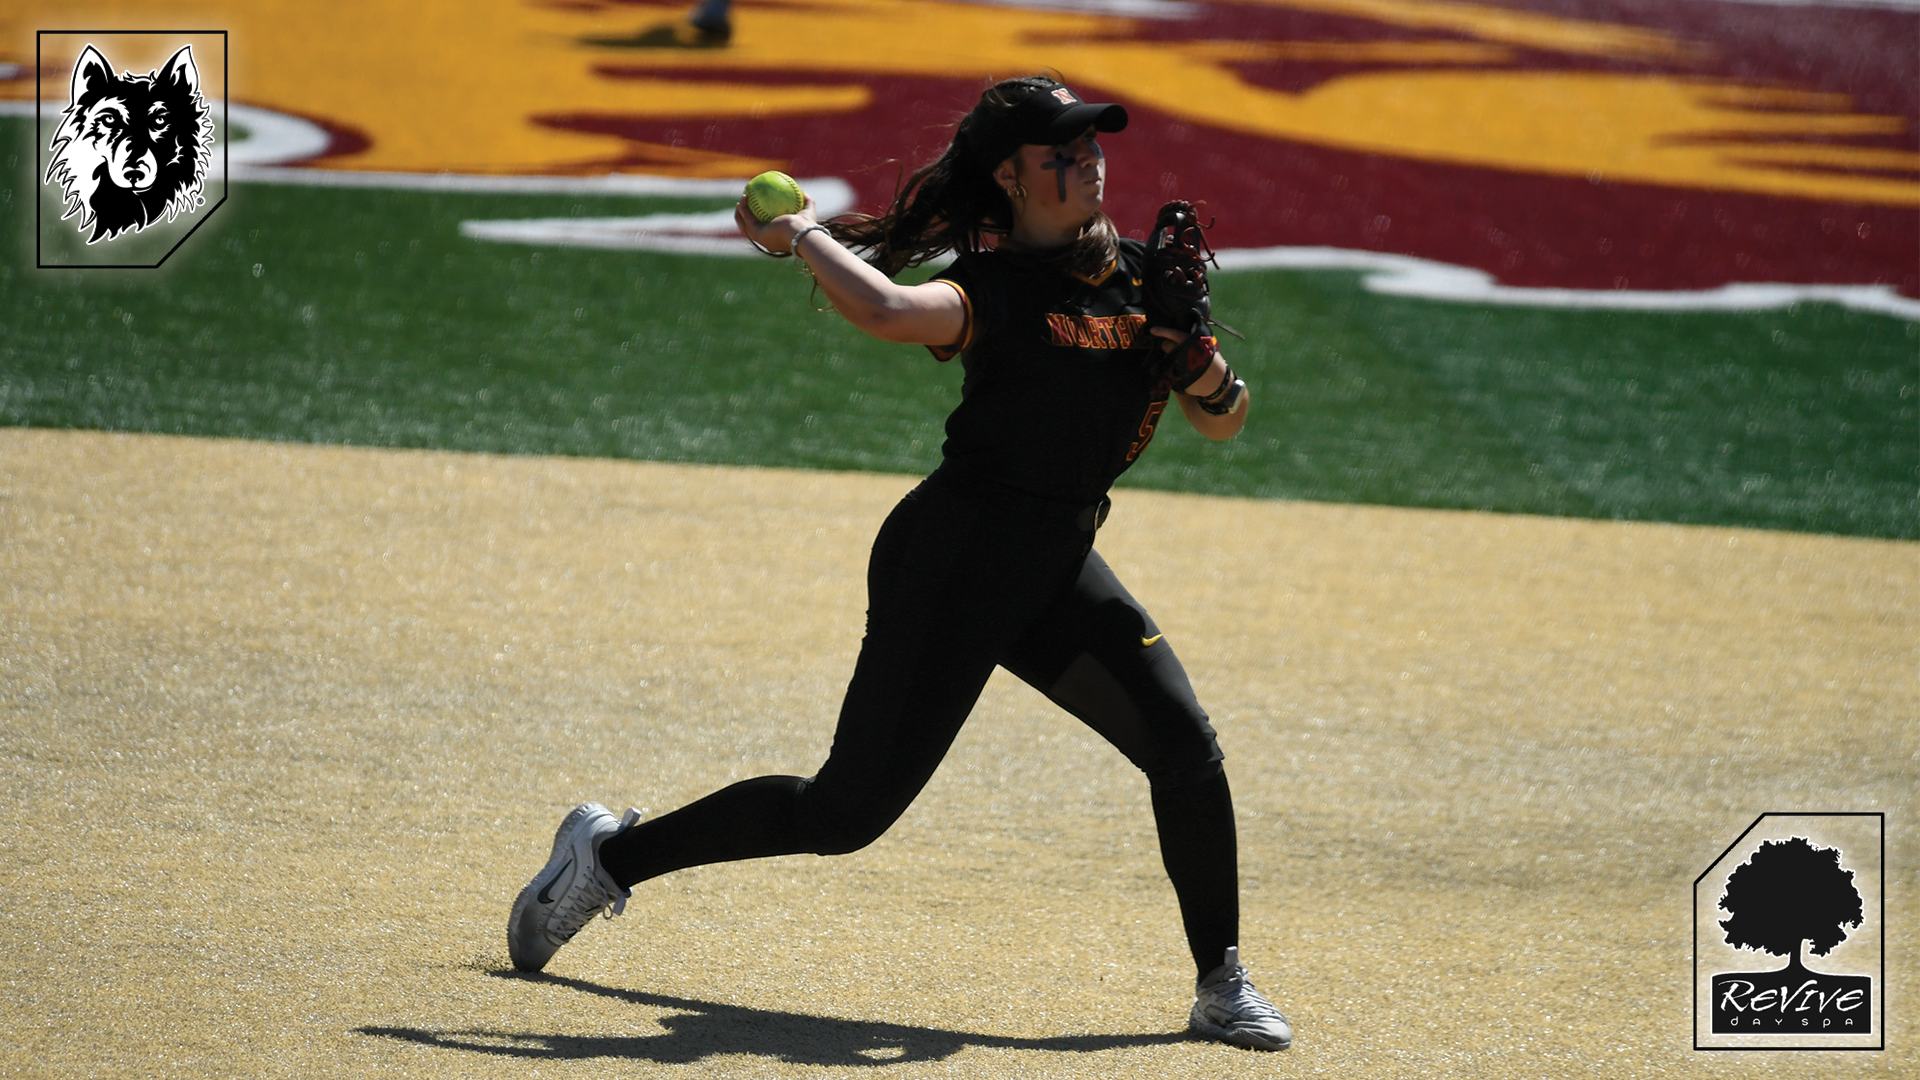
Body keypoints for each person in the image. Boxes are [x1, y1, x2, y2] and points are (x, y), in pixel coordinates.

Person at [506, 75, 1290, 1052]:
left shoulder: (1140, 282)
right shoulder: (995, 288)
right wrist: (799, 236)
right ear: (1009, 175)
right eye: (1062, 147)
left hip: (1054, 564)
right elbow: (883, 309)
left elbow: (1228, 421)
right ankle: (609, 855)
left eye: (1093, 142)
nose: (1088, 157)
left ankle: (1220, 983)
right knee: (843, 814)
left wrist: (1198, 358)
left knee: (1183, 745)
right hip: (952, 561)